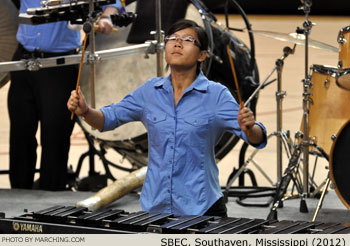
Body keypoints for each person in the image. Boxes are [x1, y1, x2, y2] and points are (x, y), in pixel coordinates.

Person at [67, 19, 267, 216]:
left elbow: (256, 138)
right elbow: (106, 119)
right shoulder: (149, 92)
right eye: (173, 38)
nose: (178, 43)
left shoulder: (216, 95)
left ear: (202, 55)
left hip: (201, 207)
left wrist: (249, 127)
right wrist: (85, 111)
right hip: (156, 206)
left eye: (188, 40)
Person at [8, 0, 121, 191]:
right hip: (23, 60)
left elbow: (113, 3)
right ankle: (17, 197)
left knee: (55, 138)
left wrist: (107, 17)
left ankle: (50, 203)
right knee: (20, 134)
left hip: (58, 64)